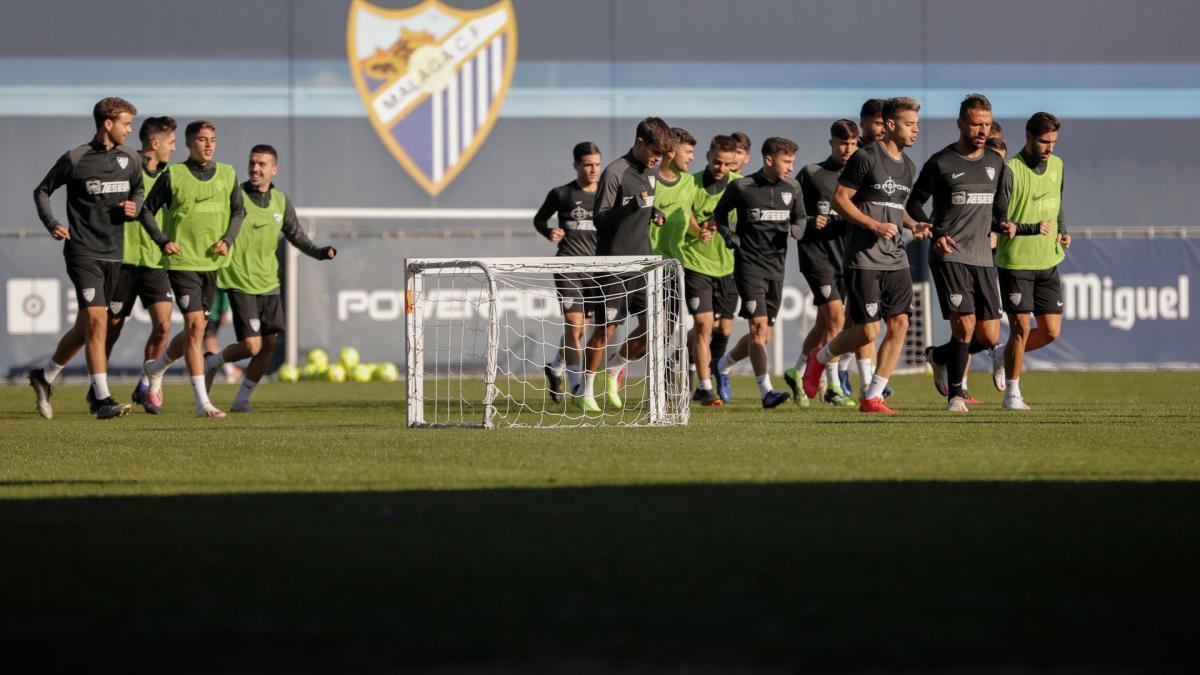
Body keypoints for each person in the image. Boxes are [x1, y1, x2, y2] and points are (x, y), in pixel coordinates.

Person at [29, 97, 176, 419]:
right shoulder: (75, 158)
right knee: (97, 322)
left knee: (86, 329)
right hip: (83, 252)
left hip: (115, 255)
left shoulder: (130, 159)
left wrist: (134, 206)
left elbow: (139, 191)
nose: (129, 130)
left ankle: (46, 375)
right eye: (125, 124)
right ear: (107, 124)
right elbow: (42, 190)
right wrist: (52, 223)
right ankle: (101, 398)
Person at [802, 97, 933, 414]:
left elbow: (896, 207)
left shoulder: (909, 166)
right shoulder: (865, 157)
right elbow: (840, 200)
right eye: (909, 124)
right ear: (890, 125)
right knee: (868, 331)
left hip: (895, 256)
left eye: (917, 124)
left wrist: (914, 224)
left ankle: (872, 396)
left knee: (900, 323)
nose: (915, 130)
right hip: (863, 258)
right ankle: (818, 359)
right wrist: (873, 224)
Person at [202, 145, 336, 412]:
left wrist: (320, 253)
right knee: (252, 346)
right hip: (239, 280)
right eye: (252, 163)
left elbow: (296, 236)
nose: (255, 168)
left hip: (269, 284)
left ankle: (241, 400)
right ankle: (213, 362)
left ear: (274, 169)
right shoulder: (235, 196)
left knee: (269, 345)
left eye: (262, 164)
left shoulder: (281, 202)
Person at [907, 93, 1006, 412]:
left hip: (982, 257)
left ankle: (939, 356)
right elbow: (914, 204)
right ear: (961, 123)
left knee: (989, 336)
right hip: (949, 254)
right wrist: (934, 233)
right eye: (977, 124)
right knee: (964, 324)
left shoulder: (995, 162)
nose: (982, 131)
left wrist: (999, 226)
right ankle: (956, 393)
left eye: (987, 125)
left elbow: (999, 203)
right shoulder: (941, 162)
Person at [141, 120, 246, 418]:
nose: (208, 144)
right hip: (183, 262)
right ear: (188, 144)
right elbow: (146, 211)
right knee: (195, 327)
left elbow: (239, 211)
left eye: (212, 139)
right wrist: (163, 240)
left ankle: (157, 366)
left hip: (212, 263)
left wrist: (228, 239)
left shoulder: (227, 174)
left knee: (195, 331)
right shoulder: (174, 175)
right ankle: (202, 403)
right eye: (201, 139)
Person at [576, 117, 670, 413]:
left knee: (658, 326)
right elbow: (600, 218)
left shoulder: (651, 173)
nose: (657, 159)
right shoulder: (615, 172)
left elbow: (645, 204)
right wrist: (630, 208)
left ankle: (616, 367)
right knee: (606, 331)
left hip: (643, 264)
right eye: (655, 152)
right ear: (640, 143)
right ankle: (585, 389)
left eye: (662, 155)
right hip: (614, 263)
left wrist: (654, 213)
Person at [713, 137, 807, 409]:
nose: (791, 167)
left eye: (792, 161)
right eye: (786, 161)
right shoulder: (742, 186)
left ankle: (722, 365)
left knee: (763, 335)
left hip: (776, 268)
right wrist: (729, 236)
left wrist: (797, 231)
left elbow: (800, 218)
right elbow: (720, 214)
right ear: (769, 160)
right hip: (748, 266)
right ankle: (766, 391)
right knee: (757, 328)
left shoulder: (793, 187)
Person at [992, 112, 1071, 410]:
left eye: (1053, 142)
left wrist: (1063, 230)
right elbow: (1000, 217)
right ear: (1028, 137)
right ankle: (1012, 393)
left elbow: (1057, 203)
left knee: (1051, 331)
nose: (1050, 147)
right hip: (1016, 262)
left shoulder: (1059, 165)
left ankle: (1003, 354)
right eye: (1044, 141)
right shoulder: (1011, 169)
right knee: (1021, 329)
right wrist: (1020, 228)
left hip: (1047, 260)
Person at [103, 116, 178, 415]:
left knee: (163, 326)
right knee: (111, 329)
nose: (173, 149)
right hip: (123, 261)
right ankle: (100, 389)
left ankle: (146, 386)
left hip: (155, 262)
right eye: (171, 143)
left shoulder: (171, 175)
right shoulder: (124, 166)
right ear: (155, 143)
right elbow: (102, 202)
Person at [784, 119, 859, 408]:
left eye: (852, 143)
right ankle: (833, 387)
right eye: (843, 143)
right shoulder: (812, 174)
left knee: (825, 322)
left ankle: (799, 370)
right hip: (816, 257)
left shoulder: (859, 176)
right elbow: (794, 214)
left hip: (845, 257)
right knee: (837, 319)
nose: (848, 149)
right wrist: (810, 222)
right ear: (831, 143)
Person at [534, 141, 601, 402]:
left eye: (597, 164)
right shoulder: (562, 194)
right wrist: (548, 231)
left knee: (582, 329)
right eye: (587, 164)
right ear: (576, 166)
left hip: (597, 270)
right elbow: (539, 218)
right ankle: (577, 387)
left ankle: (555, 366)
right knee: (574, 325)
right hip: (568, 266)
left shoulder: (607, 194)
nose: (593, 170)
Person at [681, 135, 741, 406]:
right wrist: (699, 229)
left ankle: (682, 355)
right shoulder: (690, 183)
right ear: (708, 156)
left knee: (722, 329)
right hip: (696, 263)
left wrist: (721, 226)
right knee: (704, 323)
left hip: (727, 266)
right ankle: (705, 387)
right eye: (717, 162)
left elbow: (742, 220)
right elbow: (684, 215)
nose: (721, 168)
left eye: (728, 164)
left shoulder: (738, 186)